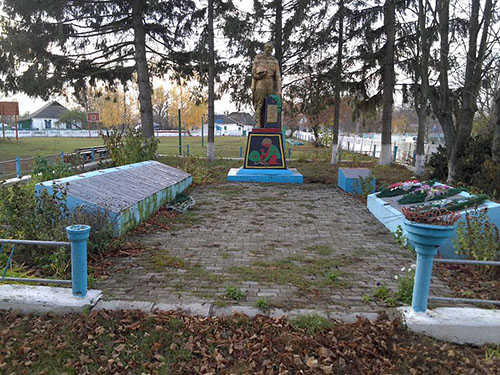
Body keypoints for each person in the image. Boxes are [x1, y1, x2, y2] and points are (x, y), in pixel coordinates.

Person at [251, 42, 281, 127]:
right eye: (267, 48)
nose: (269, 50)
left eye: (271, 49)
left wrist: (279, 90)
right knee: (259, 104)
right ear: (264, 48)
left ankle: (269, 124)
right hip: (261, 83)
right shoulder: (258, 59)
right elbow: (253, 73)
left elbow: (278, 76)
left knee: (270, 104)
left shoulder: (274, 61)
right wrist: (259, 75)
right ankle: (258, 123)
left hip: (271, 83)